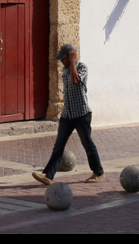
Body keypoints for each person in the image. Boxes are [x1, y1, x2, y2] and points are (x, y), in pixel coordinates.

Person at [33, 43, 104, 185]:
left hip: (81, 114)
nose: (61, 61)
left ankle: (98, 171)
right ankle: (48, 175)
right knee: (59, 145)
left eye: (63, 58)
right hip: (67, 114)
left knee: (87, 143)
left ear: (71, 56)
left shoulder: (82, 67)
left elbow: (75, 80)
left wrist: (72, 62)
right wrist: (69, 64)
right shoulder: (64, 70)